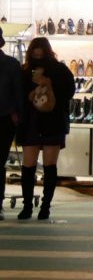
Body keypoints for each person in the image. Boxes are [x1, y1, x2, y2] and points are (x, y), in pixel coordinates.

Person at [15, 37, 74, 220]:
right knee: (39, 166)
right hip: (43, 122)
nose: (37, 56)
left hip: (43, 121)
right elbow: (69, 93)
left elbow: (68, 92)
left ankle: (40, 207)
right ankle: (36, 206)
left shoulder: (53, 70)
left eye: (39, 53)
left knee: (37, 166)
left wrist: (46, 85)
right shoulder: (29, 71)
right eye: (35, 53)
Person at [0, 26, 24, 220]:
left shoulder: (11, 64)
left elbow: (18, 93)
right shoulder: (11, 64)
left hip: (4, 119)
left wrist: (17, 115)